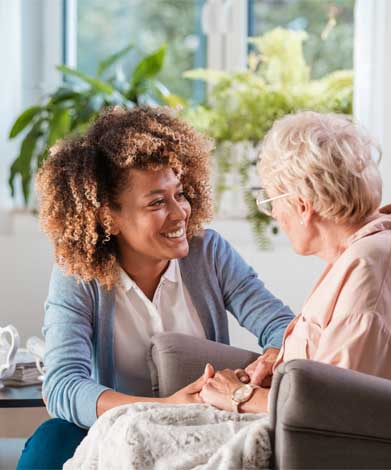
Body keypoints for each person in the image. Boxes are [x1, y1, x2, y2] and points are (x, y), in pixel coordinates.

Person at [17, 106, 294, 469]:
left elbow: (281, 326)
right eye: (157, 202)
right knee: (51, 441)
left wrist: (275, 354)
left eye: (179, 193)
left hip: (199, 427)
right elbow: (64, 386)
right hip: (115, 428)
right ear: (107, 217)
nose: (180, 213)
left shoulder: (209, 253)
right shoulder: (78, 275)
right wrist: (164, 408)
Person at [199, 111, 391, 414]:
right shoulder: (388, 241)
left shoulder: (372, 269)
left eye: (271, 201)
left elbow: (336, 408)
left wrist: (240, 396)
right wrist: (283, 366)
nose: (273, 213)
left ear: (302, 206)